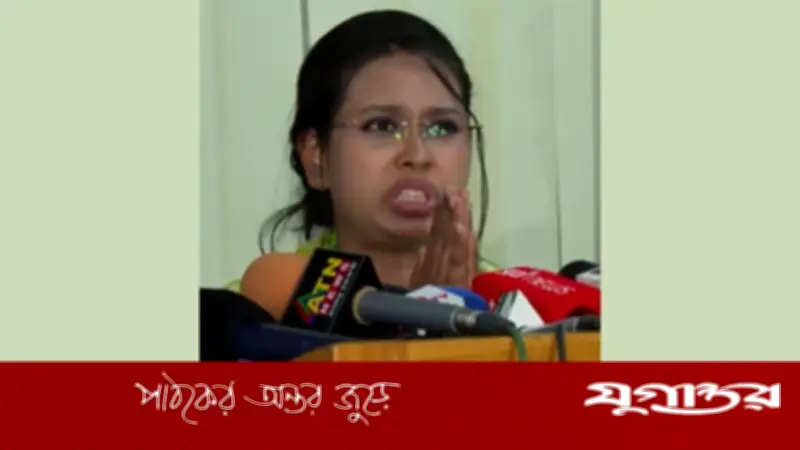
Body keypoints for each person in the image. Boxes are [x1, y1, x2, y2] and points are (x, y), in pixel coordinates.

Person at [240, 10, 498, 312]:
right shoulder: (241, 316)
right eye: (382, 126)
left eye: (442, 128)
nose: (417, 156)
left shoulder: (524, 311)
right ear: (316, 156)